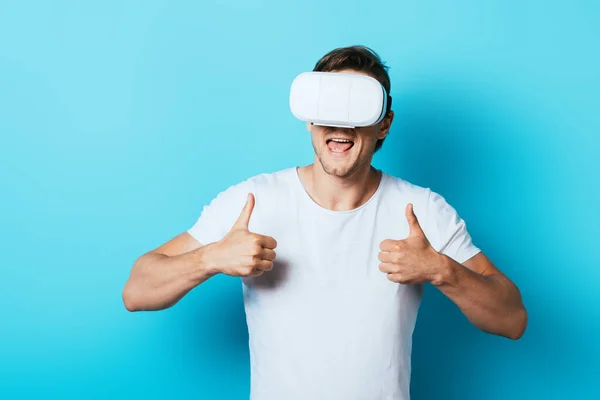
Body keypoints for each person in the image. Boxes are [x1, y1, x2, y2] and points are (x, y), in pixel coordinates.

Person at [122, 45, 527, 400]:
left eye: (358, 109)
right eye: (330, 107)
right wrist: (210, 257)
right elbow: (137, 291)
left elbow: (512, 319)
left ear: (384, 122)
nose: (341, 124)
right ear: (310, 116)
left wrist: (441, 270)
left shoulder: (420, 210)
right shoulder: (253, 200)